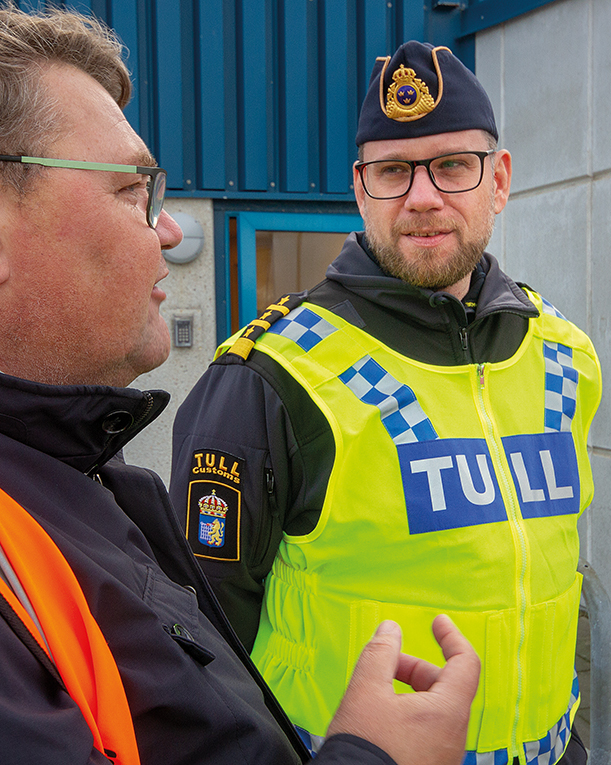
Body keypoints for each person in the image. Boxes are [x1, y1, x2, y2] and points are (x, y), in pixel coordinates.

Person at [0, 7, 482, 765]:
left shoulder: (90, 475)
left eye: (453, 166)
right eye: (132, 190)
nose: (166, 230)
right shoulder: (268, 374)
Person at [170, 40, 602, 765]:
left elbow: (553, 585)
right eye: (393, 171)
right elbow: (198, 658)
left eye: (452, 166)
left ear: (497, 179)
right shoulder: (270, 377)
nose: (422, 197)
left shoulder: (563, 355)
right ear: (358, 186)